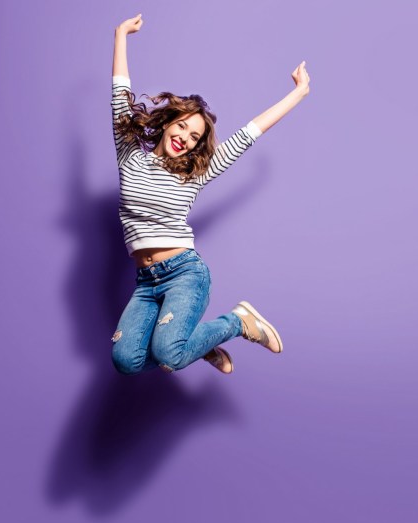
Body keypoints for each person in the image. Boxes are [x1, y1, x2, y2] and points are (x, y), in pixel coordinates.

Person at [109, 13, 311, 375]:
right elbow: (119, 100)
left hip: (185, 273)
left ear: (195, 146)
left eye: (194, 136)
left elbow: (248, 134)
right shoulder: (130, 157)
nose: (184, 137)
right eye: (182, 125)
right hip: (145, 282)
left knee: (169, 356)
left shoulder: (194, 175)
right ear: (169, 121)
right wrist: (121, 34)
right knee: (126, 361)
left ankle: (236, 321)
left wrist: (298, 92)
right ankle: (194, 342)